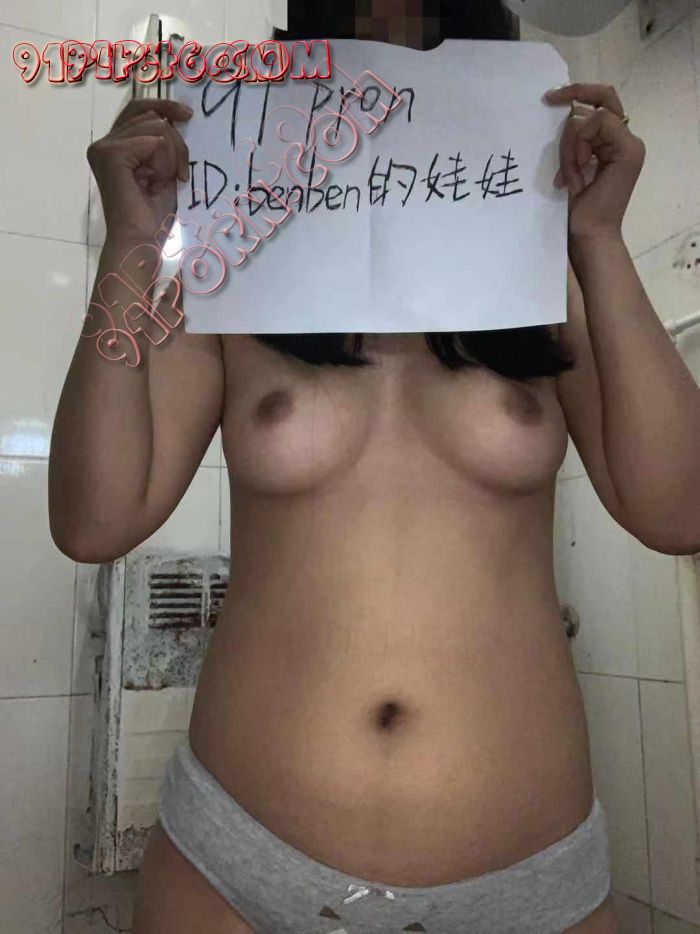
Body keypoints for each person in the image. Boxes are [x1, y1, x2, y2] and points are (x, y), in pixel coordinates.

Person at [48, 1, 700, 932]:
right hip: (237, 861)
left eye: (425, 29)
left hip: (531, 875)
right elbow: (93, 519)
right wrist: (133, 245)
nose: (391, 73)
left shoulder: (546, 279)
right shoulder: (236, 280)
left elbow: (679, 511)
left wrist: (597, 238)